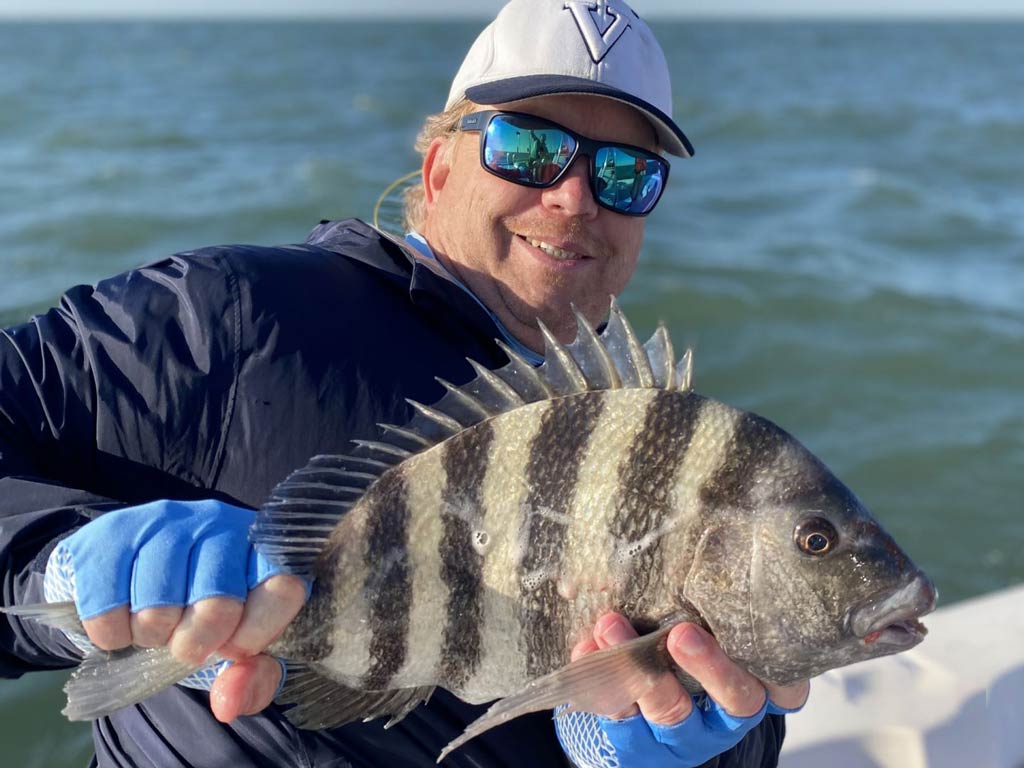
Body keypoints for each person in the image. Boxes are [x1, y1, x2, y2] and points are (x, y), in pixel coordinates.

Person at [0, 1, 808, 766]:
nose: (573, 197)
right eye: (528, 148)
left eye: (626, 176)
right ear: (439, 167)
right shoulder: (230, 318)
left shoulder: (660, 443)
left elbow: (733, 724)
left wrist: (692, 743)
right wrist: (65, 568)